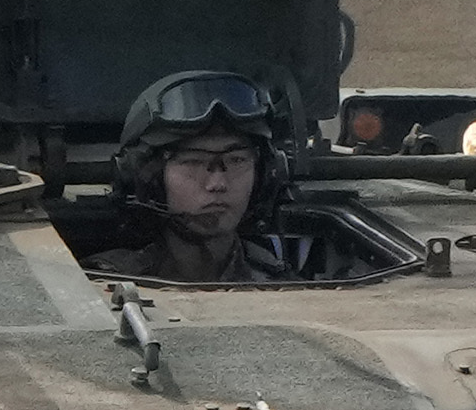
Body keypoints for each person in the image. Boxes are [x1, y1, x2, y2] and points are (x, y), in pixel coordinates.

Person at [73, 68, 325, 284]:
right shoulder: (104, 285)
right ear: (148, 178)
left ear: (265, 175)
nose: (217, 184)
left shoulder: (279, 283)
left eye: (236, 160)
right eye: (193, 162)